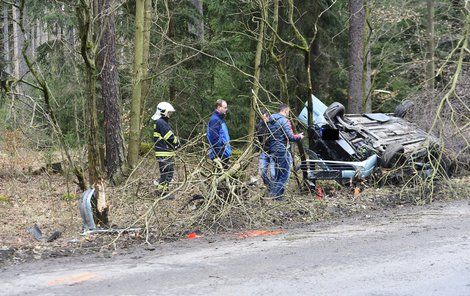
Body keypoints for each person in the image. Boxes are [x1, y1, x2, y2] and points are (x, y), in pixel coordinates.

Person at [267, 104, 304, 200]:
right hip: (282, 150)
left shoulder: (271, 120)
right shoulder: (284, 121)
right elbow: (291, 137)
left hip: (273, 149)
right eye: (288, 111)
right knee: (284, 174)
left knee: (278, 174)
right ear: (285, 110)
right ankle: (277, 196)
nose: (288, 113)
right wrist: (299, 136)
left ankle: (273, 194)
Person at [152, 102, 179, 194]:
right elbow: (169, 136)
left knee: (168, 173)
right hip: (164, 152)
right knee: (166, 173)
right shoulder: (161, 122)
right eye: (169, 112)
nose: (170, 115)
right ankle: (162, 192)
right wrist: (177, 142)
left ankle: (163, 190)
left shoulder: (161, 122)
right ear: (163, 112)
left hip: (165, 151)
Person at [207, 99, 231, 168]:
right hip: (220, 154)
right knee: (219, 174)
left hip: (224, 152)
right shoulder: (215, 120)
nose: (226, 109)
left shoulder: (220, 119)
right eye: (225, 107)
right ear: (218, 107)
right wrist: (216, 155)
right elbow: (214, 139)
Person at [255, 109, 275, 187]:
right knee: (263, 172)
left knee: (273, 174)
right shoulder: (258, 126)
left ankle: (274, 189)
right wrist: (257, 149)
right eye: (262, 118)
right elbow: (257, 139)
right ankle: (269, 186)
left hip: (273, 152)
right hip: (264, 152)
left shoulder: (273, 125)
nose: (263, 120)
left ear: (268, 117)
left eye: (265, 118)